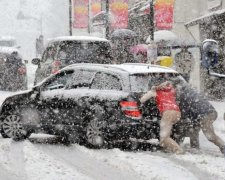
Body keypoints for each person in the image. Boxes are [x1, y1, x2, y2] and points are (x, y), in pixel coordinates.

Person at [175, 80, 225, 155]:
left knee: (210, 136)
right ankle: (195, 148)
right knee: (193, 129)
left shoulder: (183, 95)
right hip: (208, 112)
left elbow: (185, 113)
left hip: (206, 115)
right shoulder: (190, 90)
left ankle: (223, 147)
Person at [140, 81, 184, 154]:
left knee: (164, 138)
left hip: (167, 113)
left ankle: (179, 151)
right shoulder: (171, 89)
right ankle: (169, 149)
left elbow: (142, 100)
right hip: (177, 112)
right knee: (166, 137)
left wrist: (151, 91)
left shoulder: (154, 91)